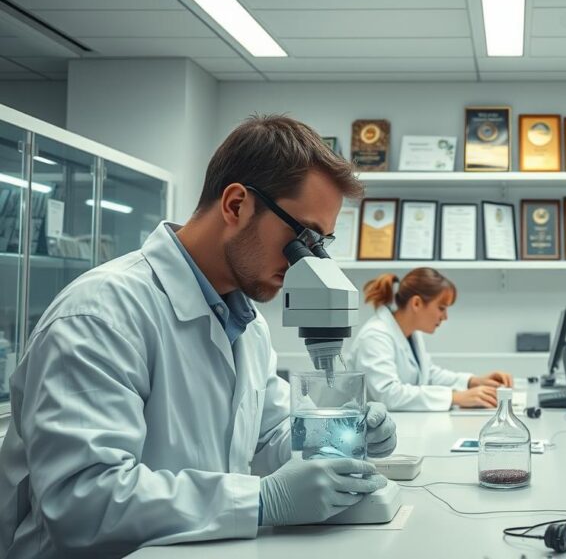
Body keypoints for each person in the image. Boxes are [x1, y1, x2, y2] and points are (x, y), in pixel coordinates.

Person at [0, 115, 399, 559]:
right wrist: (263, 501)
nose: (308, 261)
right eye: (302, 237)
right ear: (235, 205)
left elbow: (266, 439)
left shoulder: (246, 322)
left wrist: (339, 434)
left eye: (322, 242)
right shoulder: (101, 314)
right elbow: (84, 502)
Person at [350, 269, 514, 411]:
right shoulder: (375, 336)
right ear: (416, 303)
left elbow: (427, 374)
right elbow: (388, 394)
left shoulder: (411, 333)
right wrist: (454, 397)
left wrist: (472, 381)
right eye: (441, 308)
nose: (445, 317)